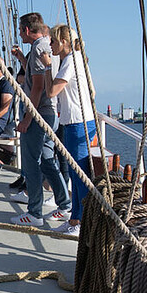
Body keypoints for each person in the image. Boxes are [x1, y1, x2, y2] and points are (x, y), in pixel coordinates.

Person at [11, 12, 70, 227]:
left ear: (27, 30)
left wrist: (27, 118)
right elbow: (36, 76)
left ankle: (34, 212)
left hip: (38, 113)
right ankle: (64, 205)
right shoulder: (47, 46)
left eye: (20, 30)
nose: (19, 33)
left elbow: (36, 88)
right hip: (50, 113)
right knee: (47, 160)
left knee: (31, 163)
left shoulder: (38, 48)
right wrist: (21, 60)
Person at [48, 24, 97, 238]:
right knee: (76, 176)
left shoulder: (71, 61)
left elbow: (51, 91)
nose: (50, 44)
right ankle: (75, 219)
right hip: (73, 123)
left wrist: (47, 66)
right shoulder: (72, 60)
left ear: (64, 43)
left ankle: (83, 223)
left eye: (53, 41)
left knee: (80, 177)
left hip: (79, 123)